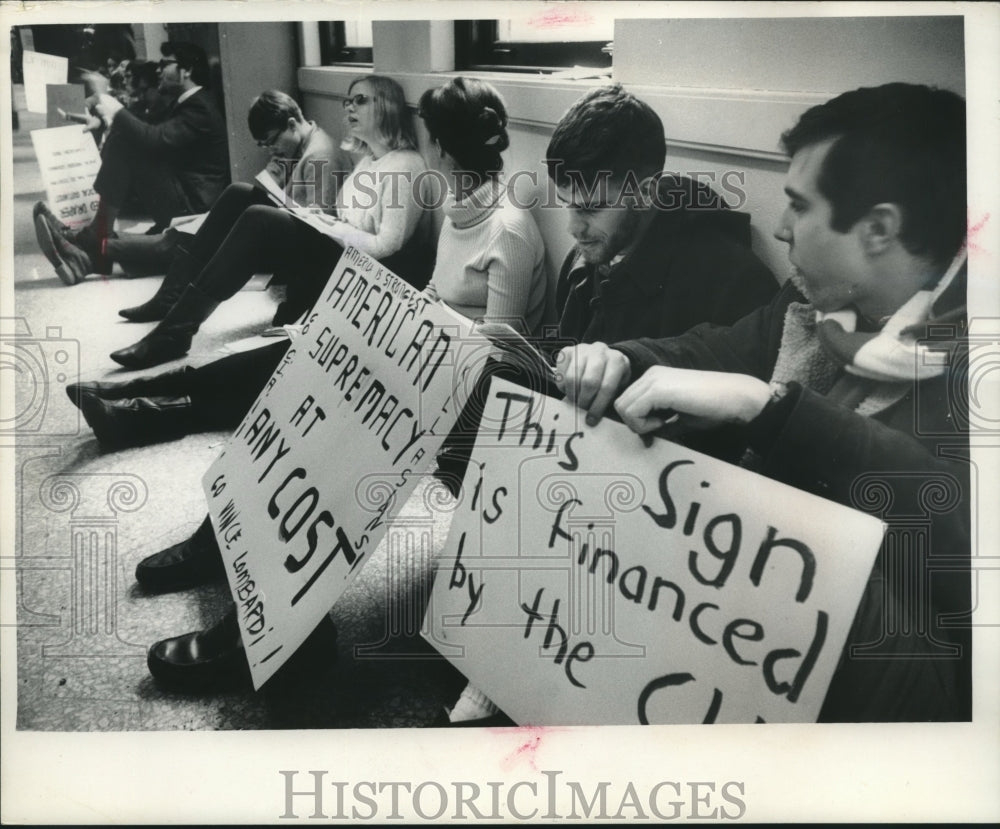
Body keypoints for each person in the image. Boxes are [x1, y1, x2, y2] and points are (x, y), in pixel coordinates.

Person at [135, 82, 778, 702]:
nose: (577, 226)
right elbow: (563, 361)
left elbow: (711, 439)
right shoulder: (603, 257)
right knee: (361, 359)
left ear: (644, 188)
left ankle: (273, 602)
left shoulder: (729, 278)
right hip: (567, 452)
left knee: (409, 380)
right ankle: (239, 538)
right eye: (570, 206)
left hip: (616, 507)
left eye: (591, 208)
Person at [553, 83, 971, 722]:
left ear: (880, 228)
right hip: (762, 651)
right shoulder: (815, 311)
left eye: (799, 207)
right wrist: (623, 358)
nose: (778, 226)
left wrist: (773, 410)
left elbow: (955, 529)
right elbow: (714, 348)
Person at [103, 74, 432, 371]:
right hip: (338, 253)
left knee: (258, 219)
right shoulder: (370, 161)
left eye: (361, 100)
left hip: (365, 273)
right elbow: (346, 219)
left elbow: (387, 247)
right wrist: (320, 218)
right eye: (348, 100)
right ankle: (173, 312)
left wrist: (329, 226)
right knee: (240, 195)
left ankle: (175, 330)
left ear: (387, 106)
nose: (349, 107)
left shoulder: (404, 165)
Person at [33, 42, 231, 285]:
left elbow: (153, 139)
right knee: (125, 138)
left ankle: (93, 238)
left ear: (186, 70)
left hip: (192, 208)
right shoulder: (186, 102)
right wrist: (104, 122)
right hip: (185, 197)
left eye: (165, 64)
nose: (158, 70)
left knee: (127, 144)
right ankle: (87, 259)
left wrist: (111, 105)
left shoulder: (199, 106)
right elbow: (146, 129)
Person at [420, 77, 547, 335]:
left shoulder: (507, 229)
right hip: (440, 342)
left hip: (480, 362)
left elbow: (497, 342)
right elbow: (437, 287)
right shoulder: (458, 207)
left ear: (440, 148)